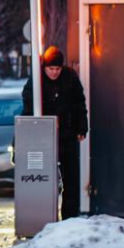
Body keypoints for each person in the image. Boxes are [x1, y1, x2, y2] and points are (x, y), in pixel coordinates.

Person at [21, 46, 89, 219]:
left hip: (67, 134)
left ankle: (69, 218)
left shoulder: (70, 77)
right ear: (44, 67)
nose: (54, 72)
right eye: (51, 69)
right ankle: (46, 216)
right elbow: (28, 105)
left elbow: (79, 104)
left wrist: (82, 127)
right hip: (44, 136)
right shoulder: (36, 80)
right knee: (45, 179)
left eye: (57, 69)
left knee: (71, 179)